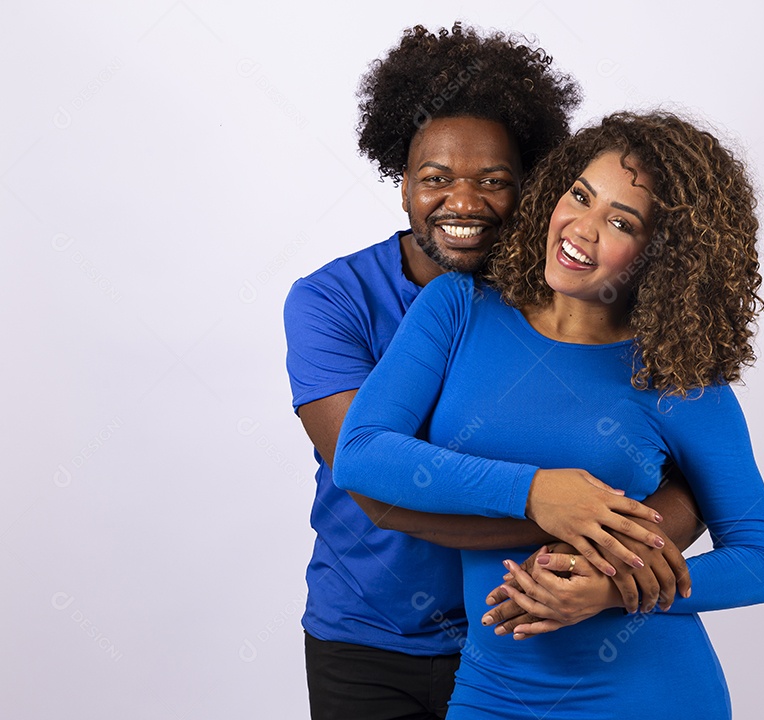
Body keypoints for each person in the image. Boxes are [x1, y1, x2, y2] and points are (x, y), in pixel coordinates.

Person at [284, 25, 702, 720]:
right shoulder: (331, 300)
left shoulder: (582, 300)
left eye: (494, 181)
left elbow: (686, 478)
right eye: (436, 179)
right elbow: (377, 490)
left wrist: (604, 558)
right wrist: (563, 513)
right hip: (368, 639)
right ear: (403, 183)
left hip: (534, 641)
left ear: (532, 184)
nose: (464, 203)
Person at [333, 111, 764, 719]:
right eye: (580, 196)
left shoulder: (677, 376)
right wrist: (536, 493)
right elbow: (361, 453)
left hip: (647, 696)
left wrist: (614, 593)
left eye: (621, 222)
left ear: (663, 255)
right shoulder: (459, 306)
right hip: (492, 690)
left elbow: (760, 562)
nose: (582, 229)